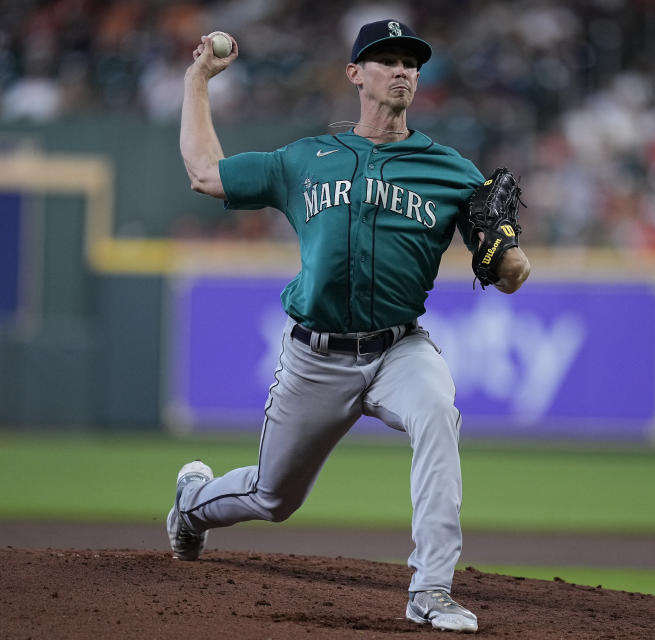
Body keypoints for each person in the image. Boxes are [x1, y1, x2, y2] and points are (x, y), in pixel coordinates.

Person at [168, 19, 531, 633]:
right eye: (386, 60)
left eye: (410, 63)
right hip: (316, 356)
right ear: (354, 74)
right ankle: (191, 505)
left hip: (399, 350)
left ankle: (431, 589)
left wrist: (509, 259)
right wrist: (197, 80)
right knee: (273, 497)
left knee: (438, 412)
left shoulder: (452, 172)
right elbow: (206, 173)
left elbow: (511, 271)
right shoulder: (305, 159)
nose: (401, 71)